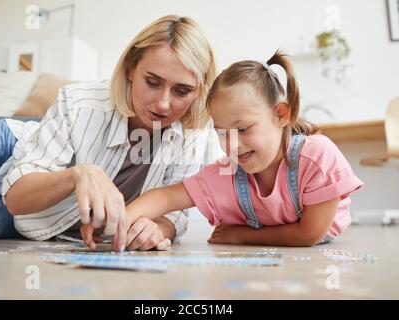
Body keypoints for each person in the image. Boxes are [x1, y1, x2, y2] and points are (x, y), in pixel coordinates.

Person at [0, 15, 216, 252]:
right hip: (6, 150)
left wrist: (157, 229)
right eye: (152, 82)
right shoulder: (79, 102)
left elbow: (175, 215)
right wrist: (79, 175)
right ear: (130, 69)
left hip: (30, 218)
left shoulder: (192, 135)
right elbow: (17, 193)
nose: (163, 104)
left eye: (182, 91)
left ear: (199, 90)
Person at [84, 50, 364, 248]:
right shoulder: (228, 172)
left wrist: (241, 236)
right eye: (222, 133)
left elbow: (309, 235)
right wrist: (114, 222)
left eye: (243, 129)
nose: (233, 144)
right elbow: (166, 197)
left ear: (281, 115)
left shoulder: (317, 156)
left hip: (317, 232)